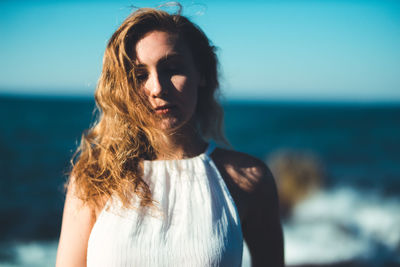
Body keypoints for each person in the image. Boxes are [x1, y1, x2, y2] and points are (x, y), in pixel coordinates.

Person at [56, 6, 284, 267]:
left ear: (201, 74)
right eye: (140, 75)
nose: (157, 88)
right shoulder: (95, 177)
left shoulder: (248, 178)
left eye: (172, 68)